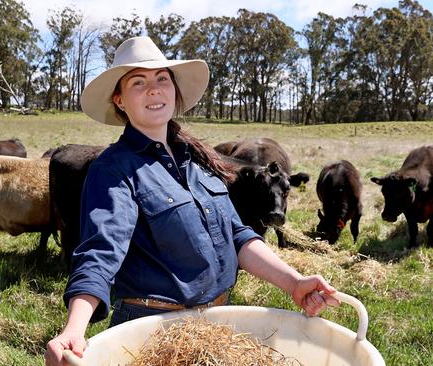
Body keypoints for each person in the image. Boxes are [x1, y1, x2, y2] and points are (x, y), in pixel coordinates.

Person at [44, 36, 339, 366]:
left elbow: (238, 236)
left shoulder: (199, 161)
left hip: (220, 328)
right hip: (152, 336)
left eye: (162, 79)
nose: (154, 90)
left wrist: (294, 282)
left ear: (174, 90)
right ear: (120, 100)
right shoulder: (114, 169)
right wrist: (74, 327)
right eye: (138, 83)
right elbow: (101, 251)